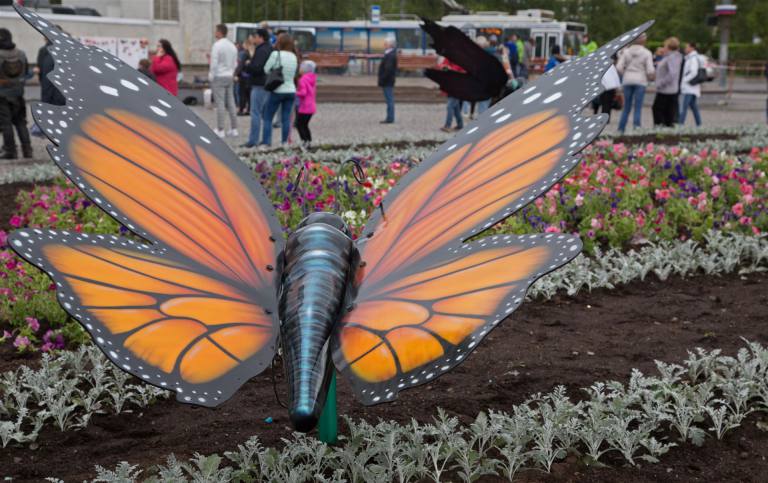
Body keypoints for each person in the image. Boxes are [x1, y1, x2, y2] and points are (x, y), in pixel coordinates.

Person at [0, 28, 31, 160]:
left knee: (5, 124)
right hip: (18, 94)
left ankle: (10, 151)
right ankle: (27, 150)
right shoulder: (22, 54)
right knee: (21, 122)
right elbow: (27, 72)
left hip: (2, 95)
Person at [262, 34, 298, 145]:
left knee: (268, 117)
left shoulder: (275, 54)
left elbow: (266, 69)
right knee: (286, 118)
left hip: (278, 90)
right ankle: (284, 143)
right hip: (291, 90)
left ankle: (267, 143)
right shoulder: (294, 56)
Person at [616, 33, 654, 133]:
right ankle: (636, 130)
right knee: (638, 107)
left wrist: (625, 73)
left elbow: (619, 67)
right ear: (643, 40)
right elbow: (650, 70)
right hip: (640, 80)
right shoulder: (647, 53)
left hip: (627, 80)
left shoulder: (626, 52)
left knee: (626, 107)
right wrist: (649, 77)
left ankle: (621, 129)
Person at [242, 29, 272, 148]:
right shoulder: (270, 48)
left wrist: (248, 65)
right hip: (268, 84)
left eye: (255, 36)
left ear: (260, 37)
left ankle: (253, 140)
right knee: (266, 115)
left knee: (255, 113)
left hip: (259, 84)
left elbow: (258, 68)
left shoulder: (261, 50)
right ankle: (266, 140)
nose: (253, 39)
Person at [209, 24, 239, 138]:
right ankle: (234, 128)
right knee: (231, 102)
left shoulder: (217, 45)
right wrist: (231, 72)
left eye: (216, 31)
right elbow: (235, 63)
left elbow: (214, 63)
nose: (214, 33)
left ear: (219, 32)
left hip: (219, 76)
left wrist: (211, 75)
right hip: (229, 75)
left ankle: (221, 129)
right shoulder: (232, 46)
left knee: (220, 103)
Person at [652, 37, 683, 127]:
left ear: (669, 47)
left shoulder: (672, 57)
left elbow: (672, 74)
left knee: (659, 111)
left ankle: (661, 129)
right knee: (666, 113)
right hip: (667, 89)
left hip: (666, 90)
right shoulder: (670, 56)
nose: (663, 47)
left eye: (665, 45)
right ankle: (664, 129)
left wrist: (660, 83)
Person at [437, 56, 464, 132]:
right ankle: (460, 125)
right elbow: (441, 65)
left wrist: (451, 70)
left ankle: (447, 126)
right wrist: (443, 67)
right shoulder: (448, 58)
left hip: (458, 87)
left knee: (450, 106)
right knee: (456, 108)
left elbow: (464, 73)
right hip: (450, 87)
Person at [679, 42, 702, 127]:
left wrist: (684, 80)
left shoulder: (692, 58)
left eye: (687, 47)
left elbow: (693, 72)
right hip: (692, 88)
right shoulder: (692, 57)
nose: (685, 49)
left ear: (692, 48)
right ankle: (699, 125)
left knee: (683, 107)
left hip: (688, 88)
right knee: (694, 107)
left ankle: (680, 125)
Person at [295, 60, 316, 144]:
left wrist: (295, 92)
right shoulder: (312, 78)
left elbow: (303, 93)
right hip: (311, 106)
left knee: (299, 124)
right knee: (305, 125)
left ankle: (304, 141)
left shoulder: (302, 79)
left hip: (304, 107)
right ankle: (308, 141)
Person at [378, 37, 397, 124]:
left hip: (387, 81)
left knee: (389, 99)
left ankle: (390, 118)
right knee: (389, 99)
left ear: (390, 45)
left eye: (385, 43)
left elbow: (388, 69)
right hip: (388, 80)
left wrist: (382, 79)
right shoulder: (390, 54)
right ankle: (390, 117)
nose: (384, 45)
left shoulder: (390, 55)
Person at [235, 38, 252, 116]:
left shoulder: (244, 53)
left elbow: (241, 65)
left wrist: (236, 74)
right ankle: (248, 109)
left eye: (244, 44)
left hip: (243, 77)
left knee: (242, 94)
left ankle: (241, 109)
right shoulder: (251, 54)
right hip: (250, 77)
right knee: (248, 95)